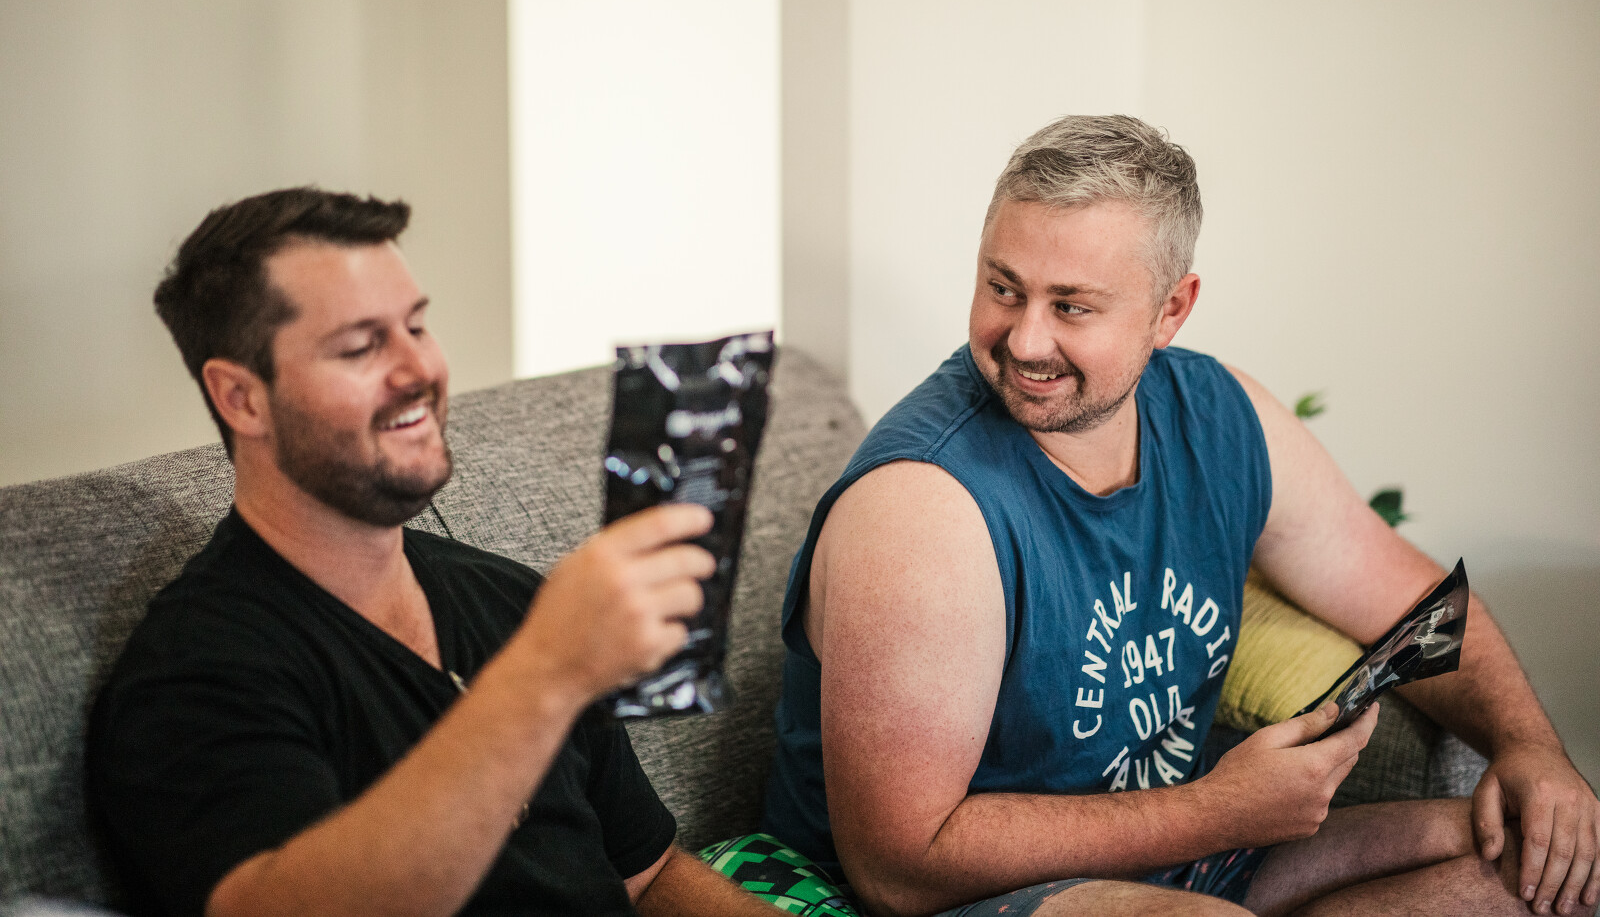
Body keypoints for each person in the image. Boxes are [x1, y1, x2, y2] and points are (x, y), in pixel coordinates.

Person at [761, 116, 1600, 917]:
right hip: (949, 896)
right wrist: (1217, 809)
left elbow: (1413, 602)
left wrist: (1529, 745)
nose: (1024, 340)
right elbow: (897, 871)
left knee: (1540, 864)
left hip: (1171, 859)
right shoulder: (923, 506)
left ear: (1171, 309)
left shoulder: (1223, 417)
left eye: (1072, 305)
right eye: (1003, 288)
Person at [87, 188, 779, 917]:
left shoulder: (507, 599)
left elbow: (649, 875)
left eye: (416, 325)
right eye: (361, 346)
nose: (417, 367)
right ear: (241, 398)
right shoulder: (194, 672)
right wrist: (548, 670)